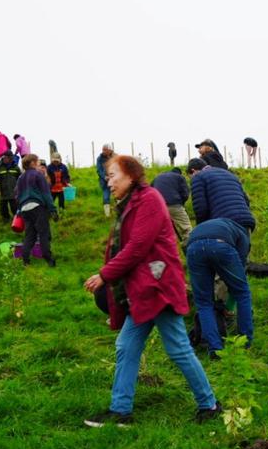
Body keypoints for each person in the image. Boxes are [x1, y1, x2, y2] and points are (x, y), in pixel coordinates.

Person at [83, 154, 221, 427]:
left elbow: (137, 247)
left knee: (178, 348)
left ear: (130, 175)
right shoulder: (130, 203)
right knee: (126, 346)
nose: (108, 182)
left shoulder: (149, 200)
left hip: (158, 287)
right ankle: (120, 411)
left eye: (112, 175)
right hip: (143, 290)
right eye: (107, 177)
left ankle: (209, 405)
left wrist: (105, 275)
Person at [186, 218, 254, 358]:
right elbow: (239, 275)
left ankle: (215, 349)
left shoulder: (223, 225)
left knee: (204, 303)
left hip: (193, 248)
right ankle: (245, 341)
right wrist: (230, 306)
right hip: (220, 245)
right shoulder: (243, 237)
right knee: (243, 292)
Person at [186, 158, 256, 232]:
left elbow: (201, 209)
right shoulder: (230, 175)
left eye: (190, 177)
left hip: (223, 225)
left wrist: (201, 229)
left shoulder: (198, 177)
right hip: (246, 222)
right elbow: (246, 201)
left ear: (193, 171)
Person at [14, 154, 58, 266]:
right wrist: (53, 209)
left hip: (24, 209)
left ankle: (25, 260)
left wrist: (19, 210)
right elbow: (46, 193)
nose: (39, 164)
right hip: (37, 207)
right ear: (32, 163)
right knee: (44, 233)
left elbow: (17, 196)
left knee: (30, 235)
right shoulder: (38, 175)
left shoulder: (20, 178)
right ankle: (49, 259)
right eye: (38, 162)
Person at [152, 167, 192, 242]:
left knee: (161, 230)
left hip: (158, 206)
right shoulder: (179, 177)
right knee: (186, 227)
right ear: (179, 173)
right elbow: (185, 193)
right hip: (174, 204)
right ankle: (189, 245)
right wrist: (181, 203)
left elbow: (151, 190)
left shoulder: (158, 177)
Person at [0, 151, 22, 222]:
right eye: (8, 158)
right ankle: (5, 221)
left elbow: (20, 179)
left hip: (13, 193)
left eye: (11, 158)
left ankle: (17, 222)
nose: (9, 160)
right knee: (3, 209)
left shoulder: (16, 167)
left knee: (15, 208)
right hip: (2, 192)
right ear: (4, 157)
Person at [97, 144, 114, 216]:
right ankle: (107, 215)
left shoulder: (115, 157)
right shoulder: (99, 158)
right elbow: (99, 170)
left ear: (110, 150)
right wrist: (104, 177)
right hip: (105, 181)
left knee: (119, 196)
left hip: (115, 180)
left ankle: (120, 212)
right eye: (103, 149)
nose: (103, 151)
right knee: (106, 197)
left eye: (105, 150)